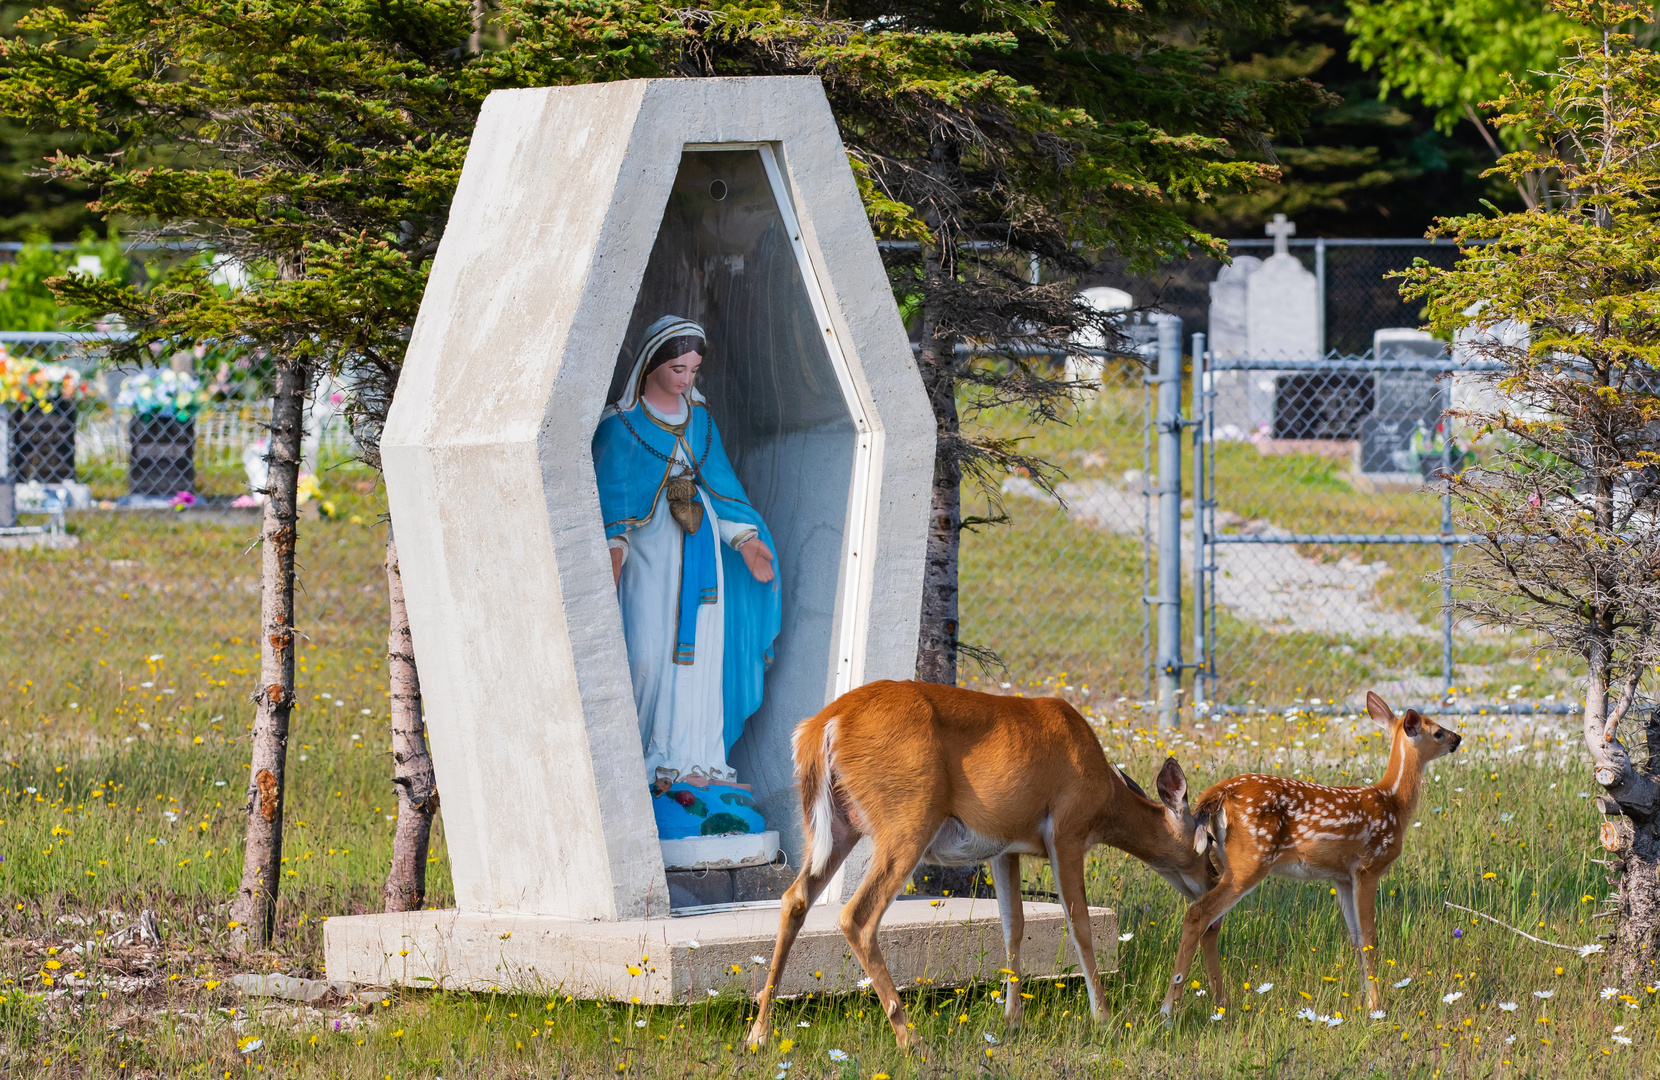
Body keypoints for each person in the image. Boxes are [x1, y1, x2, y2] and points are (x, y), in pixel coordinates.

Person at [591, 316, 782, 842]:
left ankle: (699, 762)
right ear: (652, 364)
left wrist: (745, 541)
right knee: (648, 656)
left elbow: (719, 483)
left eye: (694, 369)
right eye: (677, 368)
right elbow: (612, 495)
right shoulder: (620, 425)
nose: (685, 379)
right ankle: (652, 764)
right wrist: (612, 550)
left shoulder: (700, 419)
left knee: (702, 664)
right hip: (650, 561)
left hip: (702, 556)